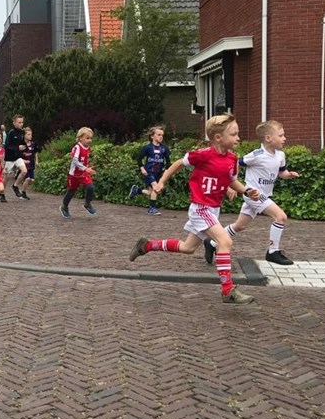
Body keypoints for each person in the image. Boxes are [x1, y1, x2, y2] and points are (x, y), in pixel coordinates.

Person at [129, 113, 259, 305]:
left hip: (213, 210)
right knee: (225, 241)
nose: (238, 138)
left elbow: (231, 180)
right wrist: (162, 181)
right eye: (234, 134)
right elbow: (178, 164)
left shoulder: (232, 159)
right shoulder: (203, 154)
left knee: (188, 248)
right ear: (218, 137)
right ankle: (227, 290)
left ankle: (146, 246)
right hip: (200, 208)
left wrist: (245, 190)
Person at [203, 120, 301, 266]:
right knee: (280, 217)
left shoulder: (280, 155)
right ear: (268, 138)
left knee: (240, 226)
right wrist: (232, 183)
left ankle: (211, 242)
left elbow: (282, 172)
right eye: (281, 135)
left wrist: (289, 174)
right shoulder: (257, 155)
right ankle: (273, 252)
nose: (284, 138)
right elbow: (236, 163)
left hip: (264, 196)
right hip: (253, 195)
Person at [129, 126, 172, 215]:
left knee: (151, 192)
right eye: (159, 135)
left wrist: (166, 171)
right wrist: (142, 168)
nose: (161, 137)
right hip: (149, 172)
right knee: (156, 188)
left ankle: (137, 190)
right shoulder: (147, 148)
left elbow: (168, 162)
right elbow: (139, 159)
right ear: (152, 136)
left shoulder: (164, 148)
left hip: (158, 173)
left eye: (162, 135)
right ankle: (152, 209)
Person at [60, 127, 97, 218]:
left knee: (90, 187)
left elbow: (84, 159)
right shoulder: (77, 147)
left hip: (83, 173)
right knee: (71, 191)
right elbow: (75, 160)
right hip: (74, 175)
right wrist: (85, 168)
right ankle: (64, 207)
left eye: (91, 138)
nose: (90, 140)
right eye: (87, 138)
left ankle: (87, 204)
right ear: (80, 138)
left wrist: (88, 167)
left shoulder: (88, 148)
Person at [4, 115, 30, 200]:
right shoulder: (11, 133)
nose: (21, 124)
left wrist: (25, 145)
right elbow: (7, 146)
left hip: (18, 157)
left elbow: (22, 143)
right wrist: (17, 148)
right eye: (19, 122)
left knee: (24, 171)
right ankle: (1, 193)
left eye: (22, 122)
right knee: (7, 177)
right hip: (10, 158)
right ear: (14, 123)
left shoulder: (22, 132)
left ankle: (15, 186)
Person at [17, 126, 38, 200]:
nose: (30, 136)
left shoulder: (33, 144)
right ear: (24, 135)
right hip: (24, 164)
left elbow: (35, 153)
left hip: (31, 164)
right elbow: (18, 154)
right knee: (28, 178)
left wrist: (36, 161)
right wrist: (22, 160)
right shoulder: (21, 145)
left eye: (31, 134)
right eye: (28, 134)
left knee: (31, 180)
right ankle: (23, 193)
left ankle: (22, 189)